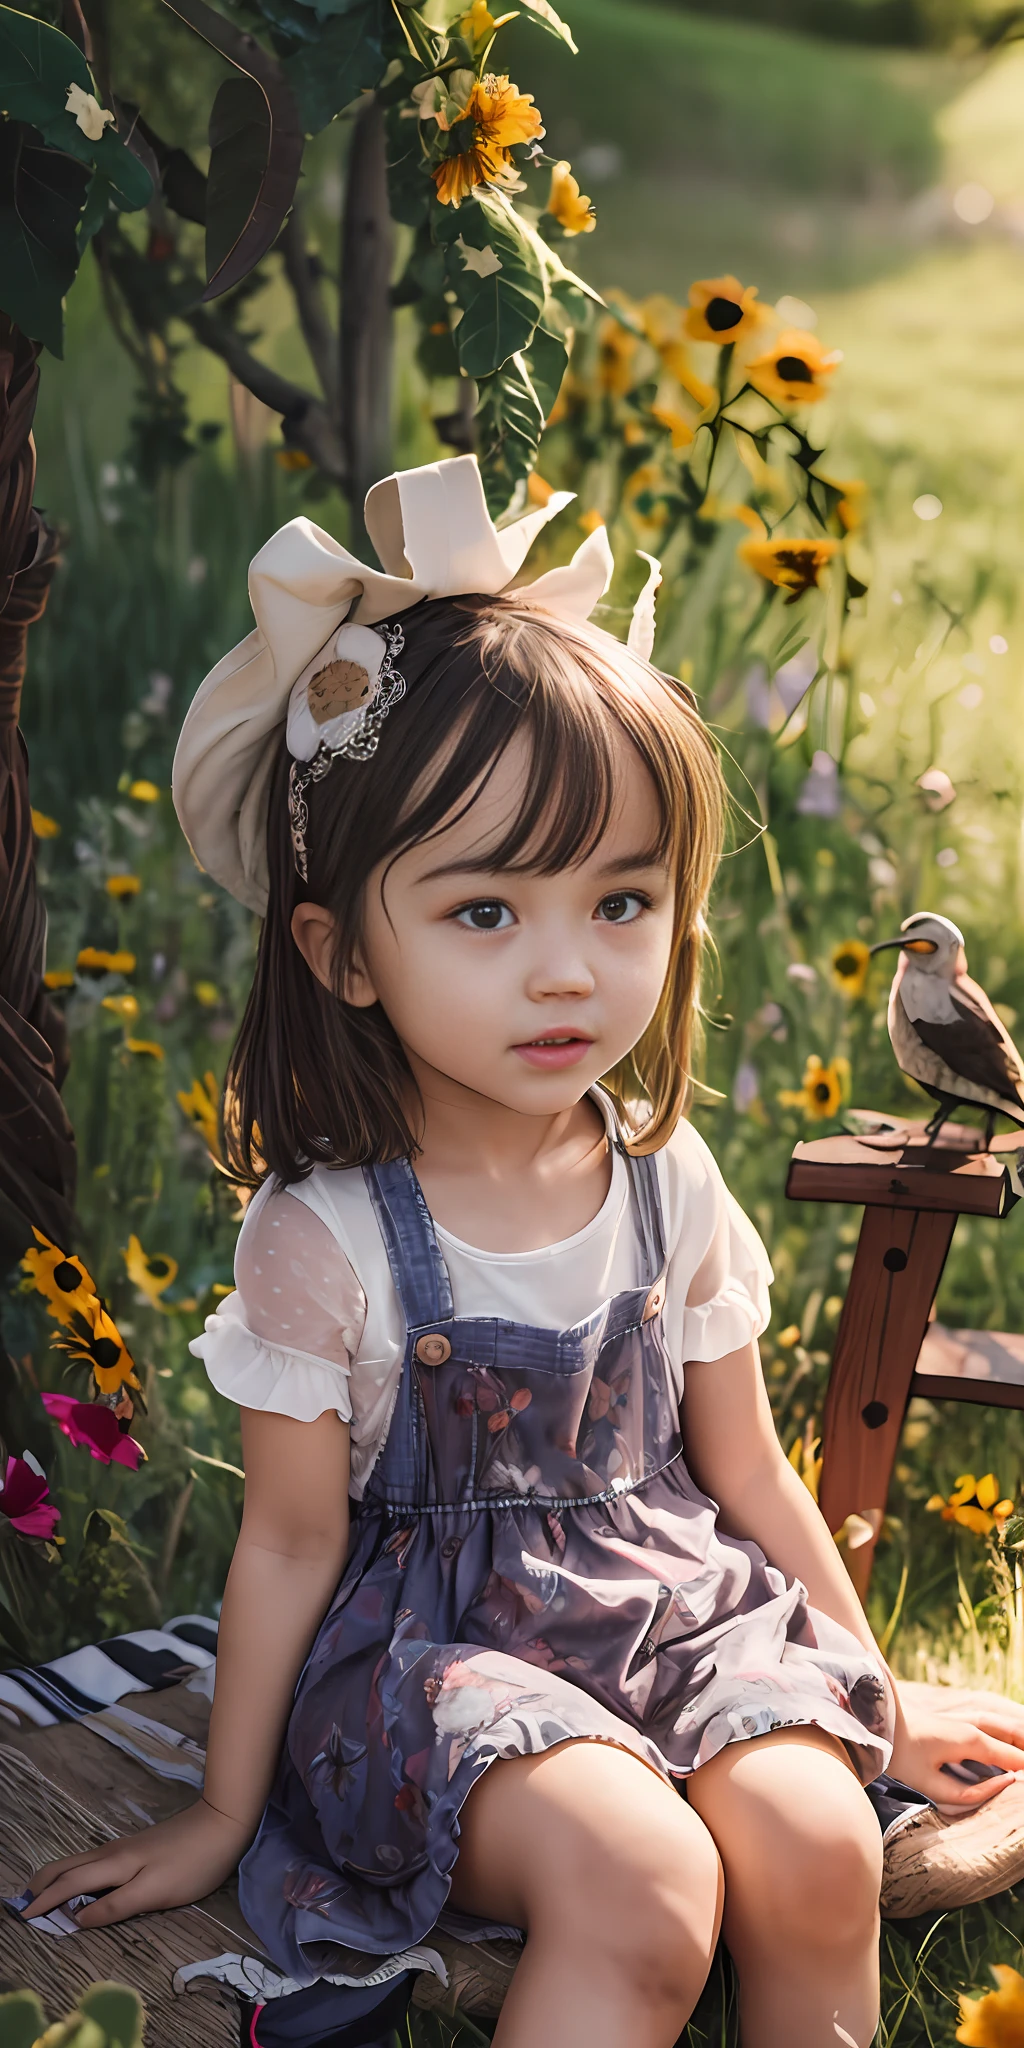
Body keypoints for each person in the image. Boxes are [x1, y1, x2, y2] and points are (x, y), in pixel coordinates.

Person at [21, 457, 1024, 2048]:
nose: (568, 971)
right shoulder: (326, 1236)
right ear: (342, 949)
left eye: (621, 899)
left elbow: (751, 1479)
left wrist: (874, 1696)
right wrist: (222, 1812)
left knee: (820, 1842)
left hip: (674, 1615)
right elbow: (284, 1546)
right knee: (645, 1892)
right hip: (436, 1672)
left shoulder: (662, 1177)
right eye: (486, 913)